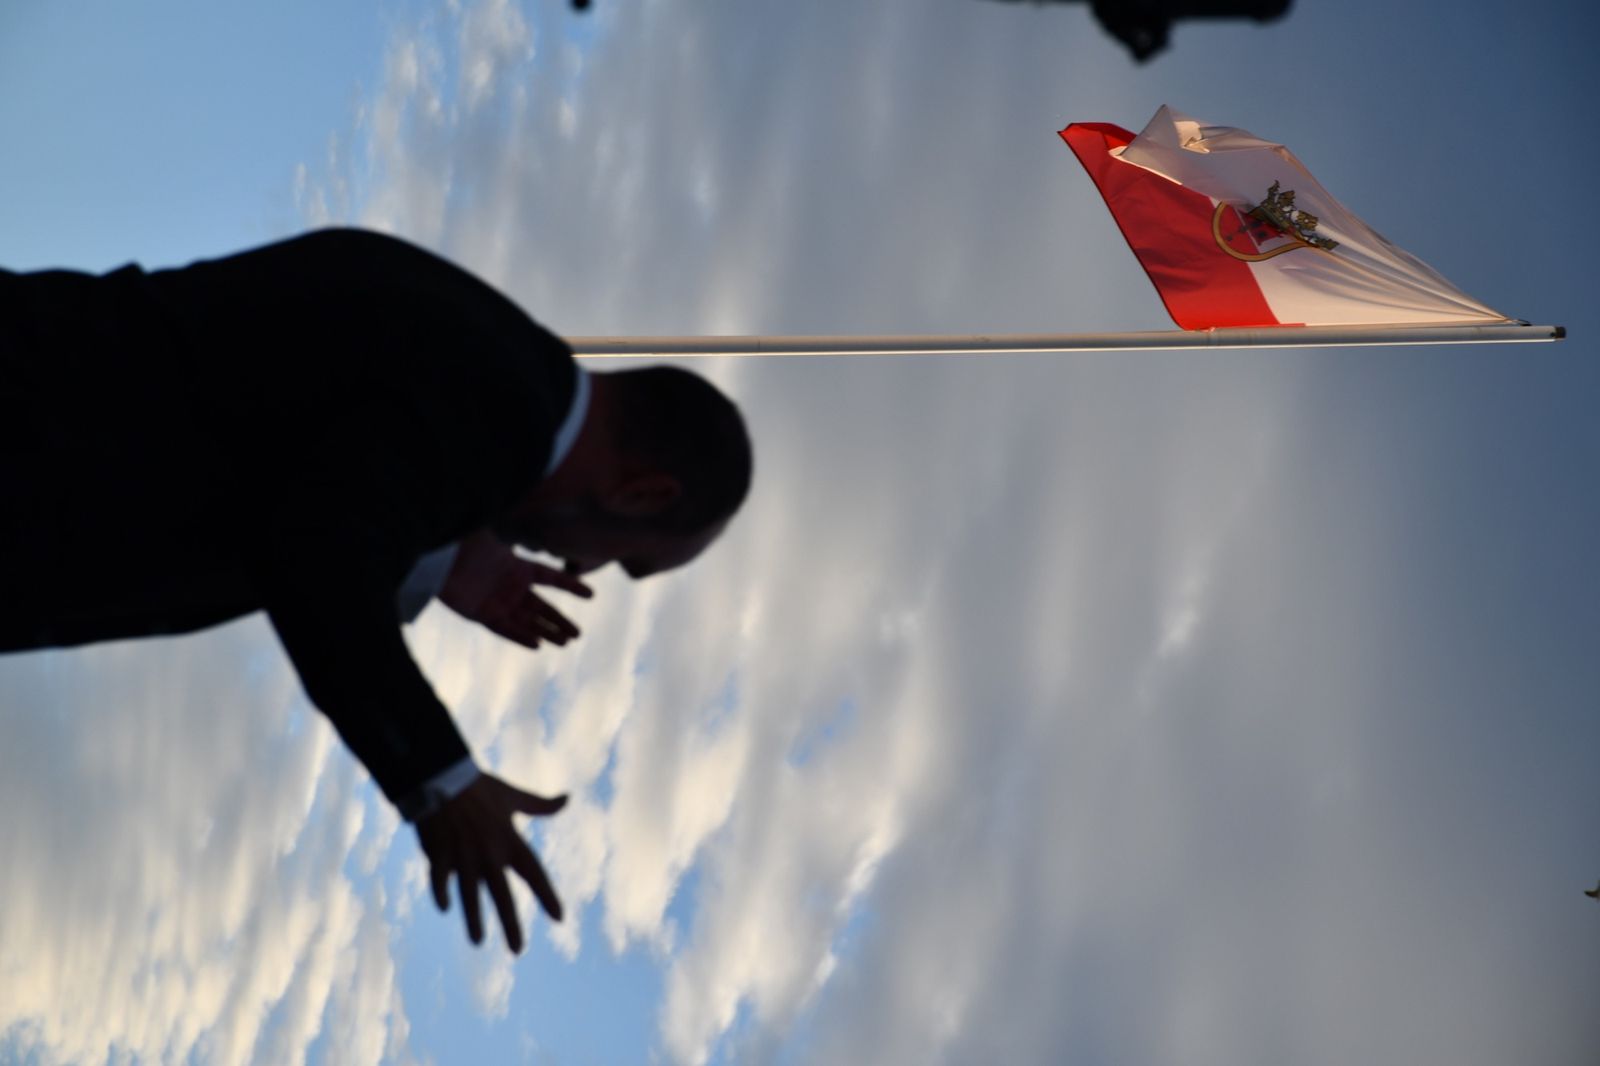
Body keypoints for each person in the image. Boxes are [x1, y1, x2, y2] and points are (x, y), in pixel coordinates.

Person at [0, 228, 753, 954]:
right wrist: (445, 783)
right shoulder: (499, 422)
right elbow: (316, 560)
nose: (588, 572)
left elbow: (304, 469)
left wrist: (439, 551)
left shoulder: (488, 362)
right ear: (643, 496)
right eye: (629, 562)